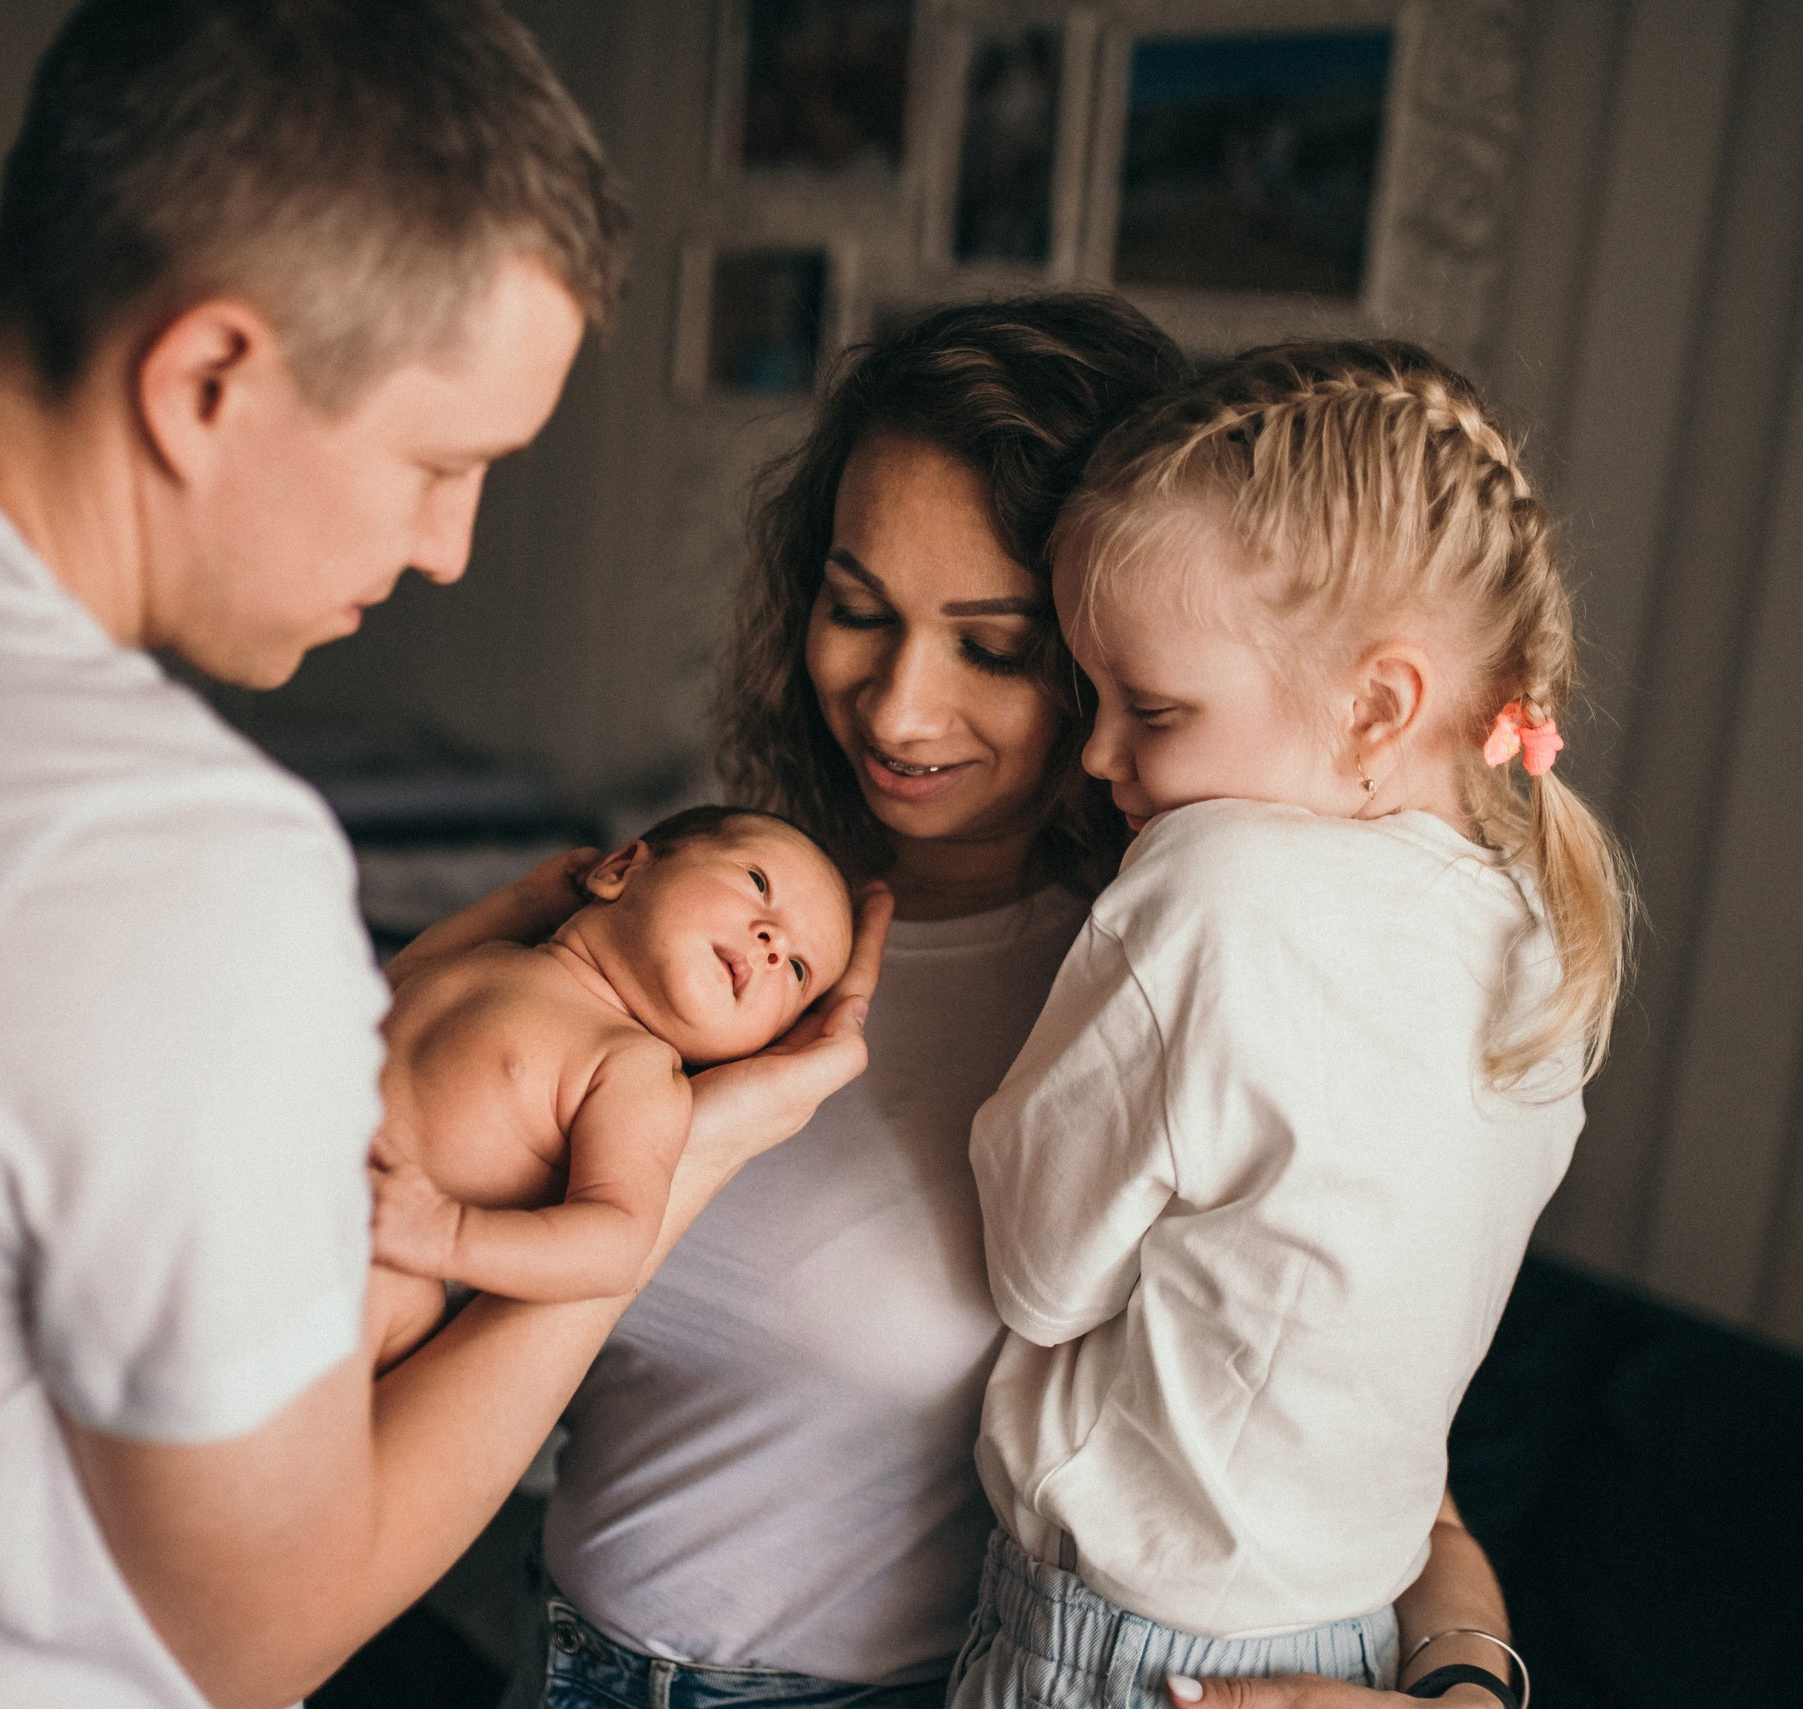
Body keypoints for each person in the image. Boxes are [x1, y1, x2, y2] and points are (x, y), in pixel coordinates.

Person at [0, 6, 884, 1707]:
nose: (447, 549)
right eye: (439, 462)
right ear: (207, 379)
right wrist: (680, 1166)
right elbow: (258, 1636)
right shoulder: (164, 861)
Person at [517, 301, 1530, 1709]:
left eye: (992, 648)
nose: (893, 708)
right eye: (854, 609)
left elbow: (1371, 1455)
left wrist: (1465, 1692)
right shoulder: (708, 922)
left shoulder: (1188, 983)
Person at [951, 341, 1632, 1709]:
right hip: (1355, 1642)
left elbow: (1035, 1274)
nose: (1097, 755)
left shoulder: (1212, 890)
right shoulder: (1539, 935)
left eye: (1151, 709)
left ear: (1376, 704)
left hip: (1124, 1650)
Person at [369, 806, 853, 1353]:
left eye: (797, 970)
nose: (774, 942)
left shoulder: (633, 1069)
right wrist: (528, 899)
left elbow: (615, 1244)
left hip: (386, 1259)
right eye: (757, 882)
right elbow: (401, 980)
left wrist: (447, 1235)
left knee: (384, 1294)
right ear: (621, 869)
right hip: (289, 1169)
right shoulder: (494, 957)